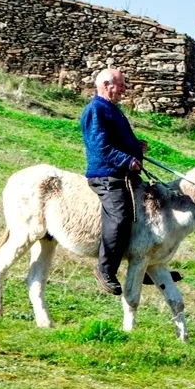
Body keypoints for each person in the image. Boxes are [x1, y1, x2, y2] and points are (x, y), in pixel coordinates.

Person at [80, 68, 150, 296]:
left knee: (149, 210)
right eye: (121, 85)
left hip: (123, 174)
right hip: (106, 176)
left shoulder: (112, 110)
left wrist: (136, 148)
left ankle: (145, 264)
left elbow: (116, 141)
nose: (124, 89)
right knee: (119, 218)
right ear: (107, 84)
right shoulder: (96, 110)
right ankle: (105, 270)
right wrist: (126, 159)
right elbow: (100, 147)